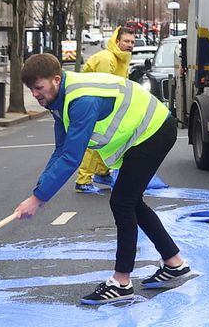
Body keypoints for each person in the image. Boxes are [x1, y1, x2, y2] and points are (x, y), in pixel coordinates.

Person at [14, 53, 193, 305]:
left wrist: (38, 198)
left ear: (56, 79)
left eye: (38, 87)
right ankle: (174, 263)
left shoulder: (80, 101)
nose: (35, 94)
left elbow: (72, 158)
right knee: (130, 201)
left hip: (154, 130)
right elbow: (61, 150)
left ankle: (121, 282)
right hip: (143, 134)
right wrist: (39, 192)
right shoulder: (60, 99)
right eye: (31, 89)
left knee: (122, 202)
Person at [73, 26, 136, 194]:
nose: (130, 45)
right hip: (94, 104)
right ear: (117, 41)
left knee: (108, 140)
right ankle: (83, 180)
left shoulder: (121, 58)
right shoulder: (107, 59)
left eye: (132, 42)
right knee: (96, 142)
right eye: (126, 41)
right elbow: (104, 86)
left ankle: (101, 172)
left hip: (102, 104)